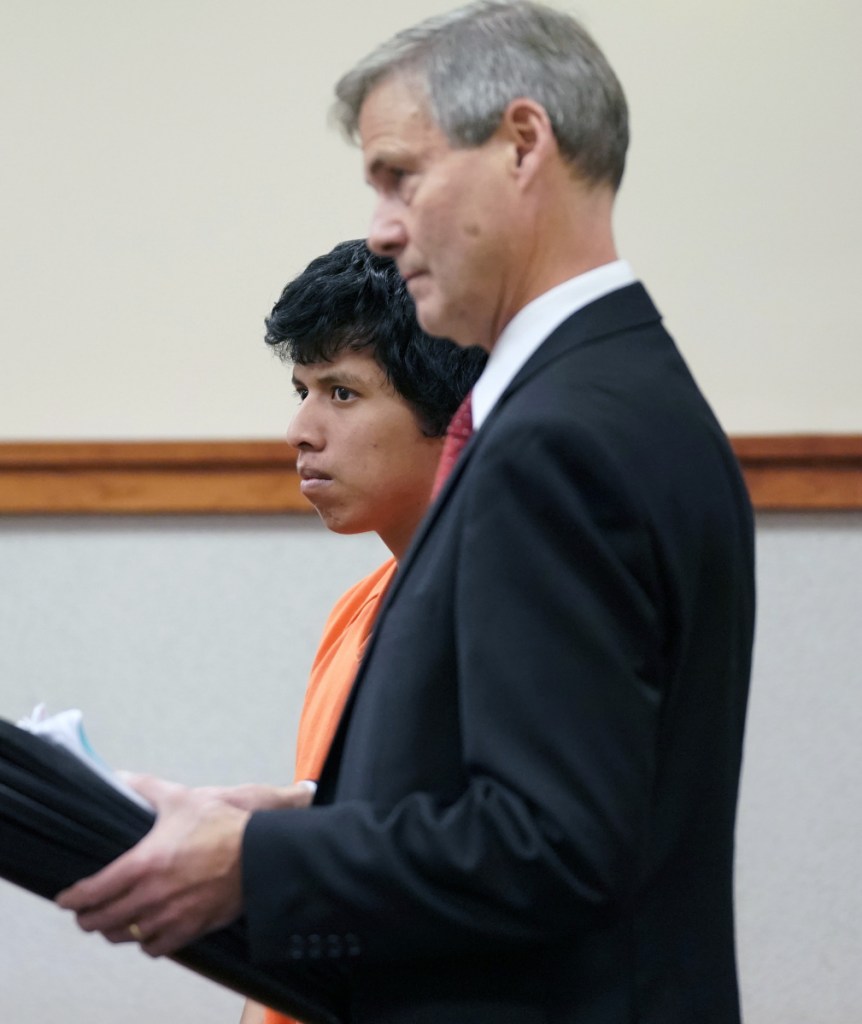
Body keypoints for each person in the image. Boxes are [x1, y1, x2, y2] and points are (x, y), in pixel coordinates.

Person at [58, 4, 756, 1023]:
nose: (383, 226)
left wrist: (252, 860)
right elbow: (578, 795)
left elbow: (549, 845)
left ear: (524, 143)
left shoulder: (557, 439)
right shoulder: (625, 389)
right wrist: (307, 816)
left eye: (400, 175)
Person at [239, 241, 484, 1024]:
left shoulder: (494, 619)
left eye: (342, 394)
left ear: (449, 419)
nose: (299, 430)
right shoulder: (357, 609)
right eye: (302, 389)